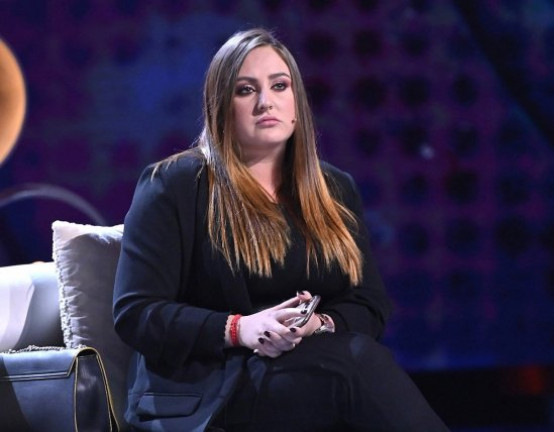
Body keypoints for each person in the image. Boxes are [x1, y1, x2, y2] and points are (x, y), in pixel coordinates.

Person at [113, 28, 449, 432]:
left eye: (279, 85)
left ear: (296, 103)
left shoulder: (334, 189)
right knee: (357, 364)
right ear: (221, 105)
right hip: (209, 390)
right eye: (245, 90)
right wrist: (240, 328)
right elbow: (137, 313)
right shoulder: (174, 184)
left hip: (306, 371)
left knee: (353, 360)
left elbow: (369, 302)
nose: (265, 102)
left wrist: (317, 324)